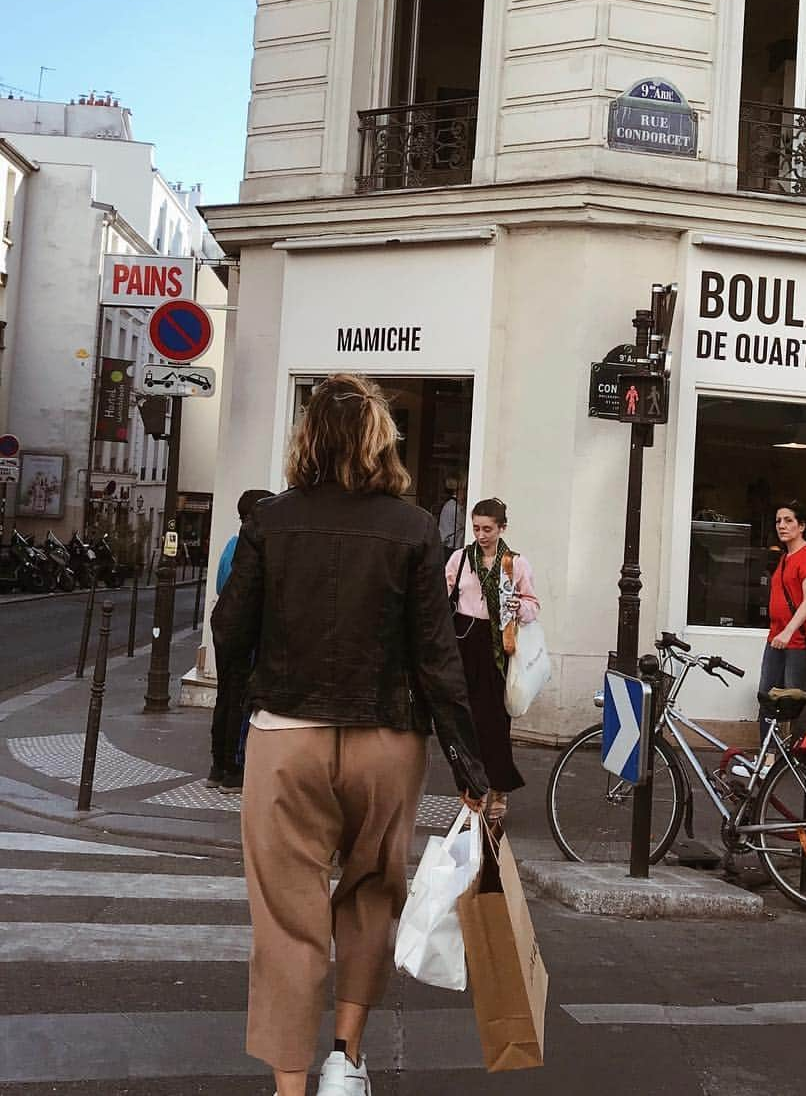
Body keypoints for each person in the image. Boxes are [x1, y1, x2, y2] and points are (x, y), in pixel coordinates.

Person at [211, 373, 488, 1096]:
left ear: (307, 438)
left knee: (286, 917)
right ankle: (345, 1059)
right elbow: (437, 656)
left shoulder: (270, 520)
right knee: (370, 892)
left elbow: (227, 630)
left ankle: (290, 1086)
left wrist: (249, 703)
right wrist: (471, 767)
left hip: (287, 735)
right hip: (386, 740)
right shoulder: (416, 527)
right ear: (378, 441)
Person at [444, 497, 539, 825]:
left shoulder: (515, 564)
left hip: (497, 648)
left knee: (495, 723)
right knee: (463, 724)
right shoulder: (460, 559)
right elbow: (445, 597)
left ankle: (498, 789)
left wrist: (518, 606)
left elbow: (532, 607)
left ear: (502, 528)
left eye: (487, 529)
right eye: (476, 528)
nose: (481, 535)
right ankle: (472, 792)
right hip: (462, 642)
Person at [206, 487, 274, 790]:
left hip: (223, 625)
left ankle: (217, 766)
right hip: (244, 631)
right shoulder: (256, 545)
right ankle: (234, 768)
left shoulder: (231, 544)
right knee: (240, 699)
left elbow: (221, 585)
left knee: (224, 696)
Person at [758, 500, 806, 751]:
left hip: (797, 641)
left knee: (794, 701)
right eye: (778, 521)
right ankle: (767, 758)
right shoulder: (785, 557)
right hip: (776, 639)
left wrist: (788, 632)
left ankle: (798, 759)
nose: (782, 525)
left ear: (802, 526)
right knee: (767, 698)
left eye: (788, 520)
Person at [437, 475, 465, 556]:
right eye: (464, 490)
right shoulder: (455, 507)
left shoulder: (449, 504)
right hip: (451, 547)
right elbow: (465, 523)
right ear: (458, 491)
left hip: (447, 545)